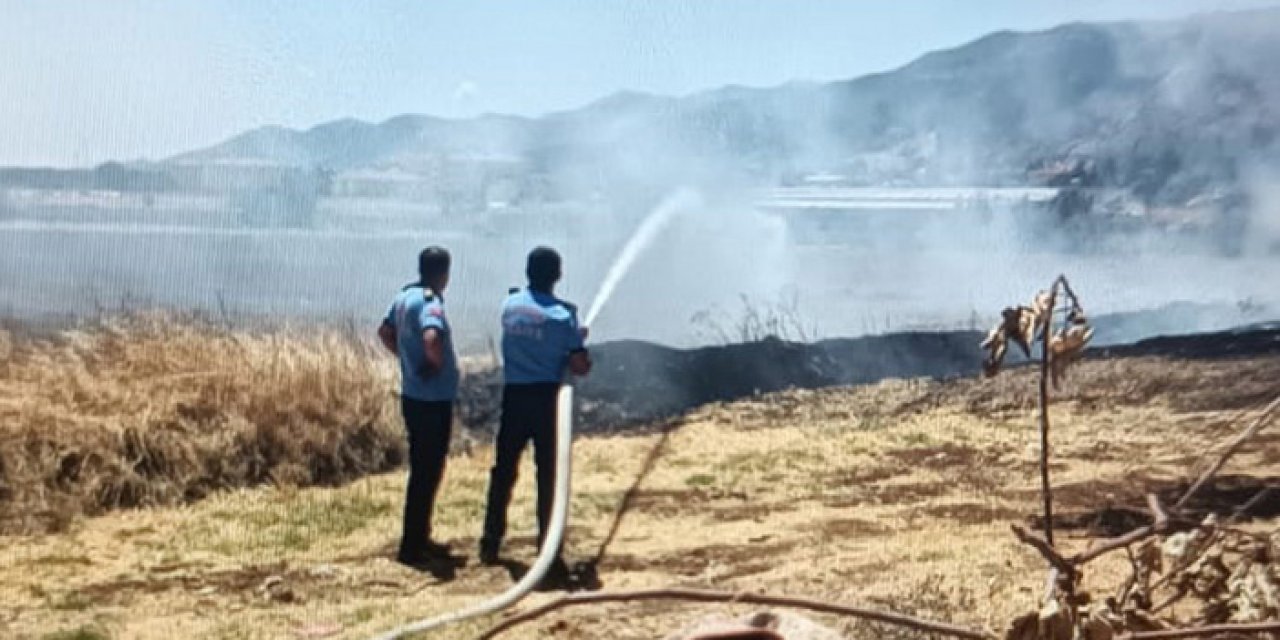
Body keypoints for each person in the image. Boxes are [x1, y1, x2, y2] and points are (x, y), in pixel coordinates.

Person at [480, 247, 592, 583]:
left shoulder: (510, 305)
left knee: (503, 471)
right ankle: (549, 554)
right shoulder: (562, 317)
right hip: (546, 401)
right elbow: (579, 365)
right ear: (557, 275)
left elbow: (532, 329)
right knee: (548, 477)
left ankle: (490, 541)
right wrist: (577, 341)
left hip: (514, 397)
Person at [377, 246, 460, 568]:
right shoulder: (430, 302)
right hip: (432, 400)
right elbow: (431, 338)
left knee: (421, 469)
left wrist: (405, 359)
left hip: (413, 396)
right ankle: (413, 545)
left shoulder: (404, 297)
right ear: (444, 274)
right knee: (428, 471)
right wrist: (432, 363)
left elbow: (385, 332)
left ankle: (419, 537)